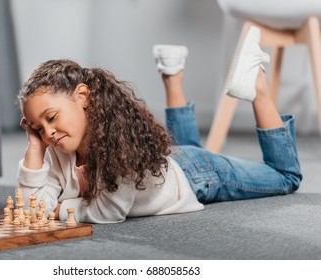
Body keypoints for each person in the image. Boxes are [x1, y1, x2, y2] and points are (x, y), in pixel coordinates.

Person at [16, 26, 302, 224]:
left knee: (285, 177)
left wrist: (58, 208)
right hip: (175, 162)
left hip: (196, 175)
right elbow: (32, 210)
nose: (48, 132)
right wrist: (34, 148)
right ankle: (172, 74)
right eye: (37, 127)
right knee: (186, 146)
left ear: (82, 96)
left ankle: (257, 86)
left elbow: (108, 212)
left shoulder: (117, 144)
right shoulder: (54, 149)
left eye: (51, 118)